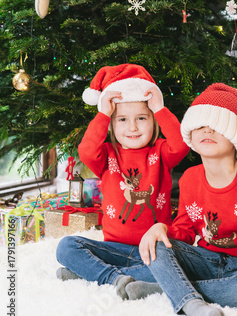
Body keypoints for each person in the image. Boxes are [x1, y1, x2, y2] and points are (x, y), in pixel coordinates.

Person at [134, 83, 237, 316]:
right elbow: (185, 231)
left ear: (236, 137)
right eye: (199, 125)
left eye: (217, 126)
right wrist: (161, 228)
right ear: (191, 135)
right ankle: (193, 303)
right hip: (205, 259)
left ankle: (168, 287)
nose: (207, 129)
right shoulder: (189, 179)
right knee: (159, 247)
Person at [56, 63, 189, 300]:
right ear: (111, 124)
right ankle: (115, 277)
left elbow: (181, 144)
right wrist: (102, 114)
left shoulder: (161, 153)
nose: (133, 127)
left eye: (141, 118)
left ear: (153, 121)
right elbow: (86, 151)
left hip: (153, 251)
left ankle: (93, 274)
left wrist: (160, 108)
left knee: (176, 266)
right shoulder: (106, 155)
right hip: (114, 249)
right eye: (122, 120)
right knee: (66, 247)